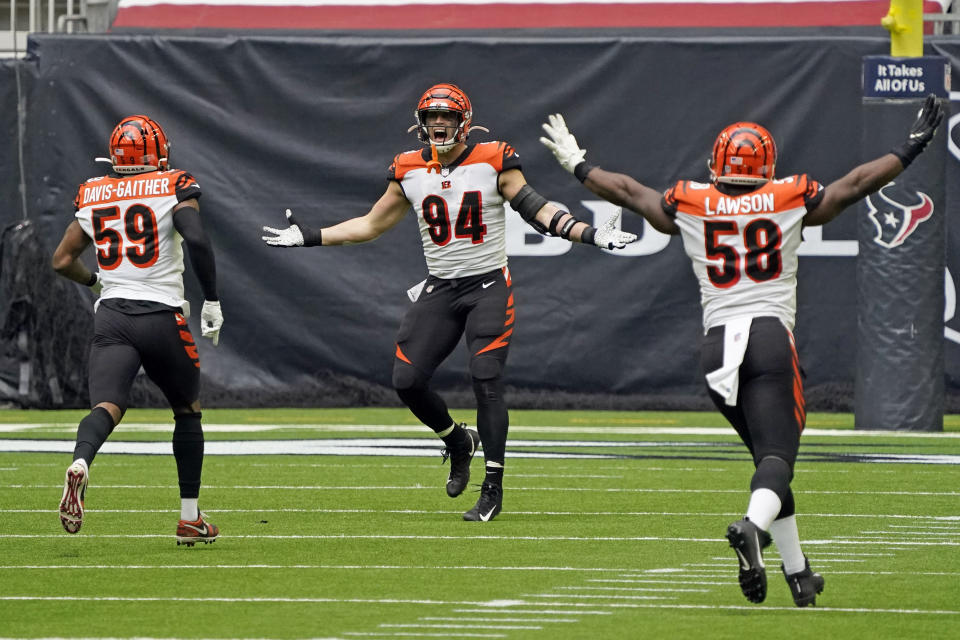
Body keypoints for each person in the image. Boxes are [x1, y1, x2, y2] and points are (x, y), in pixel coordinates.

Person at [539, 95, 943, 605]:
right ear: (768, 166)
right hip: (769, 338)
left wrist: (578, 163)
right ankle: (752, 527)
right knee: (778, 457)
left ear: (716, 164)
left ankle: (799, 575)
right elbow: (856, 184)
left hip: (716, 349)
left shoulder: (690, 200)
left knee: (766, 462)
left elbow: (626, 191)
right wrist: (907, 150)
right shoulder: (789, 196)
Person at [263, 83, 636, 522]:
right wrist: (310, 236)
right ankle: (458, 440)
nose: (439, 124)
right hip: (440, 288)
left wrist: (591, 234)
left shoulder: (493, 158)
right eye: (432, 116)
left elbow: (537, 210)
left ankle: (492, 486)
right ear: (420, 123)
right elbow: (370, 225)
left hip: (487, 286)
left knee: (486, 377)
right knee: (406, 380)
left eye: (448, 116)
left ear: (466, 121)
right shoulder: (407, 169)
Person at [52, 114, 225, 546]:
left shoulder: (93, 192)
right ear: (159, 152)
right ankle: (190, 519)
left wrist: (96, 281)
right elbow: (198, 239)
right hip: (162, 314)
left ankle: (81, 462)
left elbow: (62, 259)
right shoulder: (172, 183)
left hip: (111, 315)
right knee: (188, 410)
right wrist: (213, 299)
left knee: (106, 406)